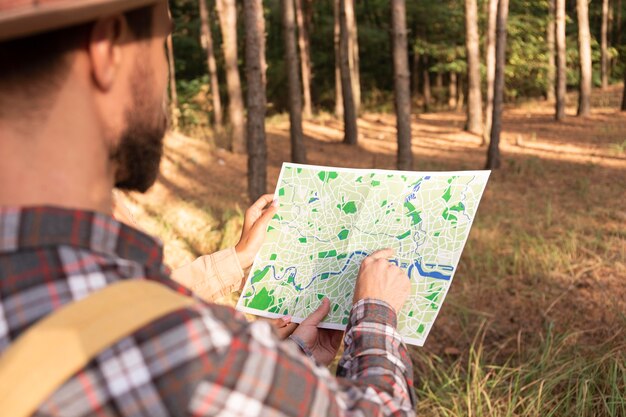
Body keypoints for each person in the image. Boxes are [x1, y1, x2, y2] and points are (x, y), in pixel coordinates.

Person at [0, 1, 416, 416]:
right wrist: (375, 313)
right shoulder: (170, 346)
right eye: (163, 41)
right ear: (106, 50)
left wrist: (289, 345)